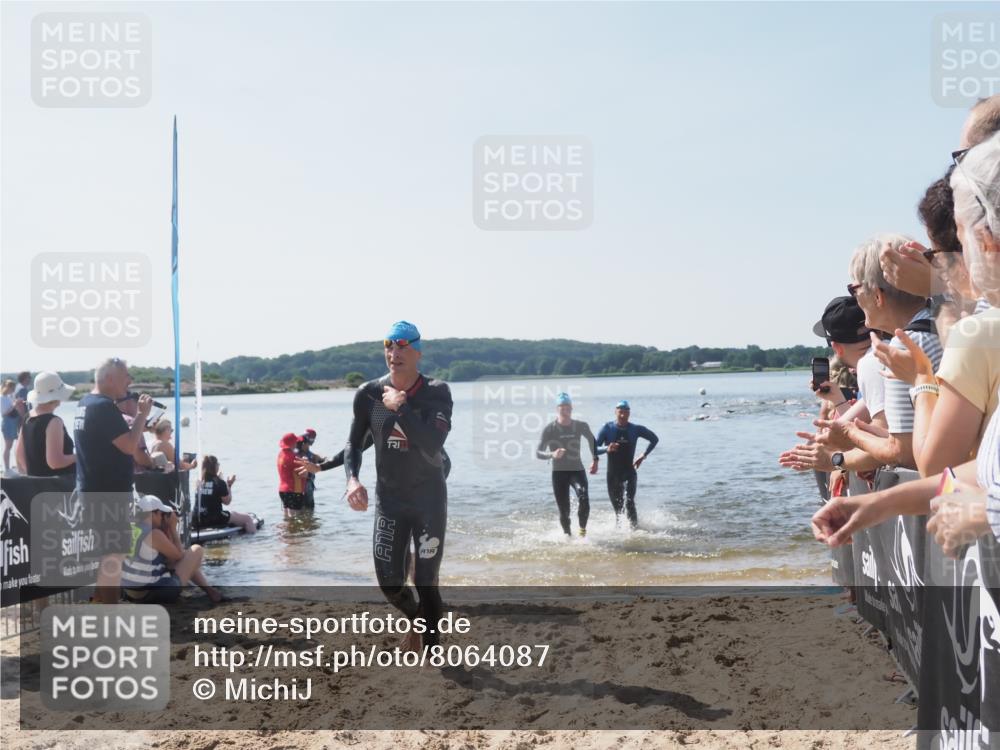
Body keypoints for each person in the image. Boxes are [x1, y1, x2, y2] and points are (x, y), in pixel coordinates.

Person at [812, 131, 1000, 553]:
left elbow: (928, 461)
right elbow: (983, 471)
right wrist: (880, 503)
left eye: (951, 247)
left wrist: (922, 380)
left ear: (985, 242)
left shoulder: (977, 333)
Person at [343, 321, 452, 652]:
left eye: (402, 347)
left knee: (425, 580)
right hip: (389, 500)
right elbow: (352, 445)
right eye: (389, 347)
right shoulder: (367, 394)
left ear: (418, 352)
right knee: (390, 582)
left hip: (429, 500)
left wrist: (402, 406)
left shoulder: (437, 391)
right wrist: (352, 480)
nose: (394, 353)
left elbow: (432, 444)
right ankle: (419, 621)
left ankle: (434, 654)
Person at [75, 358, 153, 603]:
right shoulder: (102, 407)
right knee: (113, 556)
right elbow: (130, 446)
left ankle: (102, 607)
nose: (130, 381)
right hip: (108, 494)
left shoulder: (84, 403)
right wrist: (141, 415)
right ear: (109, 378)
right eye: (126, 376)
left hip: (95, 491)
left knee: (108, 556)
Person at [121, 494, 222, 604]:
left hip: (130, 592)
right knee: (196, 550)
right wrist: (173, 528)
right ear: (153, 514)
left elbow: (170, 560)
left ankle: (211, 591)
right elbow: (179, 556)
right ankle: (211, 592)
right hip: (150, 594)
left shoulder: (131, 528)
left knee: (177, 561)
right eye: (160, 514)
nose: (161, 517)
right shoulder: (154, 534)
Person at [536, 392, 598, 537]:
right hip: (559, 473)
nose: (565, 410)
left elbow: (592, 440)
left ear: (571, 408)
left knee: (583, 496)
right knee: (564, 511)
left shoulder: (580, 426)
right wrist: (552, 454)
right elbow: (538, 453)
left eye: (567, 407)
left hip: (577, 470)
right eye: (562, 407)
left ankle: (582, 532)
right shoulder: (550, 429)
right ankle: (567, 536)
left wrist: (595, 459)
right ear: (557, 409)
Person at [594, 401, 659, 529]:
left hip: (629, 472)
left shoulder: (635, 429)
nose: (623, 416)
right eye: (620, 412)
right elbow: (594, 448)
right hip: (613, 474)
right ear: (615, 412)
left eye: (625, 412)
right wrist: (607, 448)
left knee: (629, 502)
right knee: (618, 509)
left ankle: (636, 532)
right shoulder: (607, 428)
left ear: (629, 413)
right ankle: (620, 532)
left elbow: (654, 439)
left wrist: (643, 455)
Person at [15, 371, 76, 477]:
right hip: (58, 487)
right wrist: (79, 456)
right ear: (56, 396)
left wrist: (35, 475)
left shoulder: (27, 417)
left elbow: (19, 454)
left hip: (38, 487)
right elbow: (55, 462)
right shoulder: (53, 422)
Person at [193, 455, 256, 533]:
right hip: (215, 518)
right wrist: (228, 485)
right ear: (215, 467)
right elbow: (227, 501)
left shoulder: (198, 482)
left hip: (197, 519)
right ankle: (254, 541)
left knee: (232, 514)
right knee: (248, 518)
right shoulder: (219, 482)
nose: (219, 466)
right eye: (218, 464)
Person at [115, 392, 160, 472]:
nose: (138, 407)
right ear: (129, 401)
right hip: (136, 479)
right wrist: (153, 464)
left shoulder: (112, 418)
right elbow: (140, 457)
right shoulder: (131, 421)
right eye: (137, 403)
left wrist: (146, 427)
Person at [277, 432, 307, 515]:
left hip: (283, 490)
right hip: (294, 491)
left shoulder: (281, 454)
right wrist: (305, 463)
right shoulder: (293, 458)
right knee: (296, 517)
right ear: (293, 444)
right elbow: (304, 474)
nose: (297, 443)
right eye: (296, 442)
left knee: (287, 517)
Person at [296, 432, 326, 509]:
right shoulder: (300, 455)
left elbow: (319, 459)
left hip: (301, 485)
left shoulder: (308, 454)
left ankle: (307, 520)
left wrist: (322, 460)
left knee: (303, 507)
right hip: (305, 484)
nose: (309, 444)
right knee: (308, 507)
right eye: (311, 441)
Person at [1, 379, 21, 473]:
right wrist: (14, 404)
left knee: (14, 445)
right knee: (8, 446)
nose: (13, 389)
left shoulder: (8, 397)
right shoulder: (2, 398)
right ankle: (7, 468)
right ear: (7, 387)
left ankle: (15, 466)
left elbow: (12, 408)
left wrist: (17, 403)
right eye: (12, 387)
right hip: (8, 422)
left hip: (13, 421)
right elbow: (4, 412)